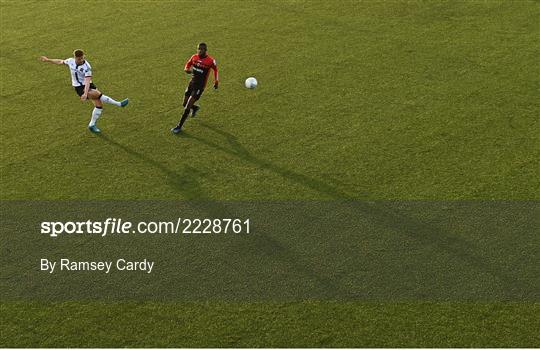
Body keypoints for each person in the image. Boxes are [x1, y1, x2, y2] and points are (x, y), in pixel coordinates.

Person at [39, 49, 128, 133]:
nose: (81, 60)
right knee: (98, 95)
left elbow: (87, 81)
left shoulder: (87, 67)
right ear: (75, 57)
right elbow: (60, 61)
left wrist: (86, 93)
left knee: (99, 105)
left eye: (82, 58)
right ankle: (119, 104)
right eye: (79, 58)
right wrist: (48, 60)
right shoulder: (70, 61)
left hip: (88, 84)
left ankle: (92, 125)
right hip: (79, 87)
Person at [171, 42, 219, 134]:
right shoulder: (194, 57)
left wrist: (216, 81)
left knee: (187, 106)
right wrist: (186, 70)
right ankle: (195, 108)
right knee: (184, 103)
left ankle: (179, 126)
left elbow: (216, 70)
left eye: (202, 49)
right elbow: (187, 65)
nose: (200, 50)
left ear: (205, 50)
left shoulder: (210, 61)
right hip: (191, 84)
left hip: (199, 87)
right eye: (198, 49)